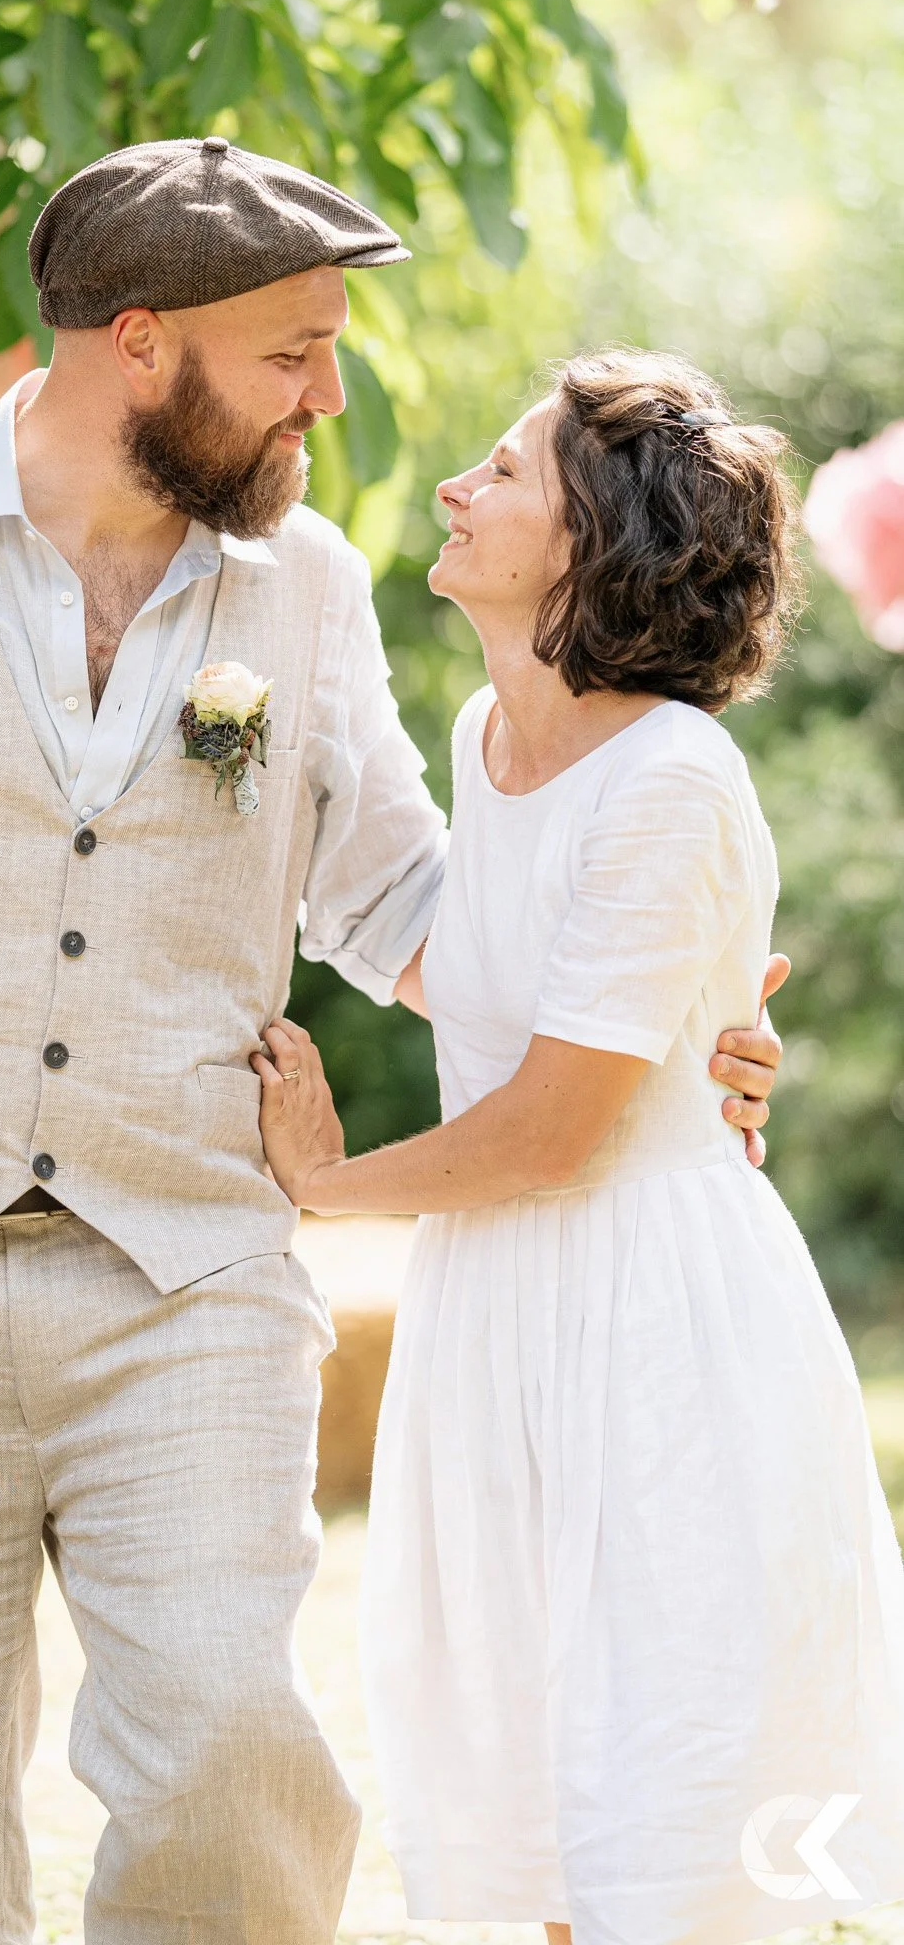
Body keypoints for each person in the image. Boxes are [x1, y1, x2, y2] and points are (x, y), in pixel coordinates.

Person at [0, 139, 781, 1944]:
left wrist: (662, 1022)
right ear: (141, 344)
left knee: (234, 1754)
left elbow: (399, 911)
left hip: (185, 1283)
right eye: (294, 351)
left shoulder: (300, 591)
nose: (334, 393)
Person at [253, 349, 904, 1945]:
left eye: (504, 470)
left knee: (654, 1794)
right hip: (501, 1318)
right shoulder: (486, 734)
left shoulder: (675, 777)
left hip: (653, 1317)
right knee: (522, 1775)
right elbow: (482, 963)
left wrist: (322, 1180)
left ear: (591, 543)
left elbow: (553, 1130)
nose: (458, 488)